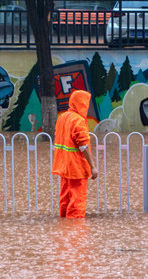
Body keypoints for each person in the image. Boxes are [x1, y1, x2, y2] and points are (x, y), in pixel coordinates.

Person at [51, 90, 98, 218]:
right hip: (76, 167)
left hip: (63, 166)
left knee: (65, 197)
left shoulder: (62, 117)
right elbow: (83, 146)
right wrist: (92, 166)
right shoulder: (78, 121)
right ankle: (75, 232)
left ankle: (64, 228)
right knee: (77, 201)